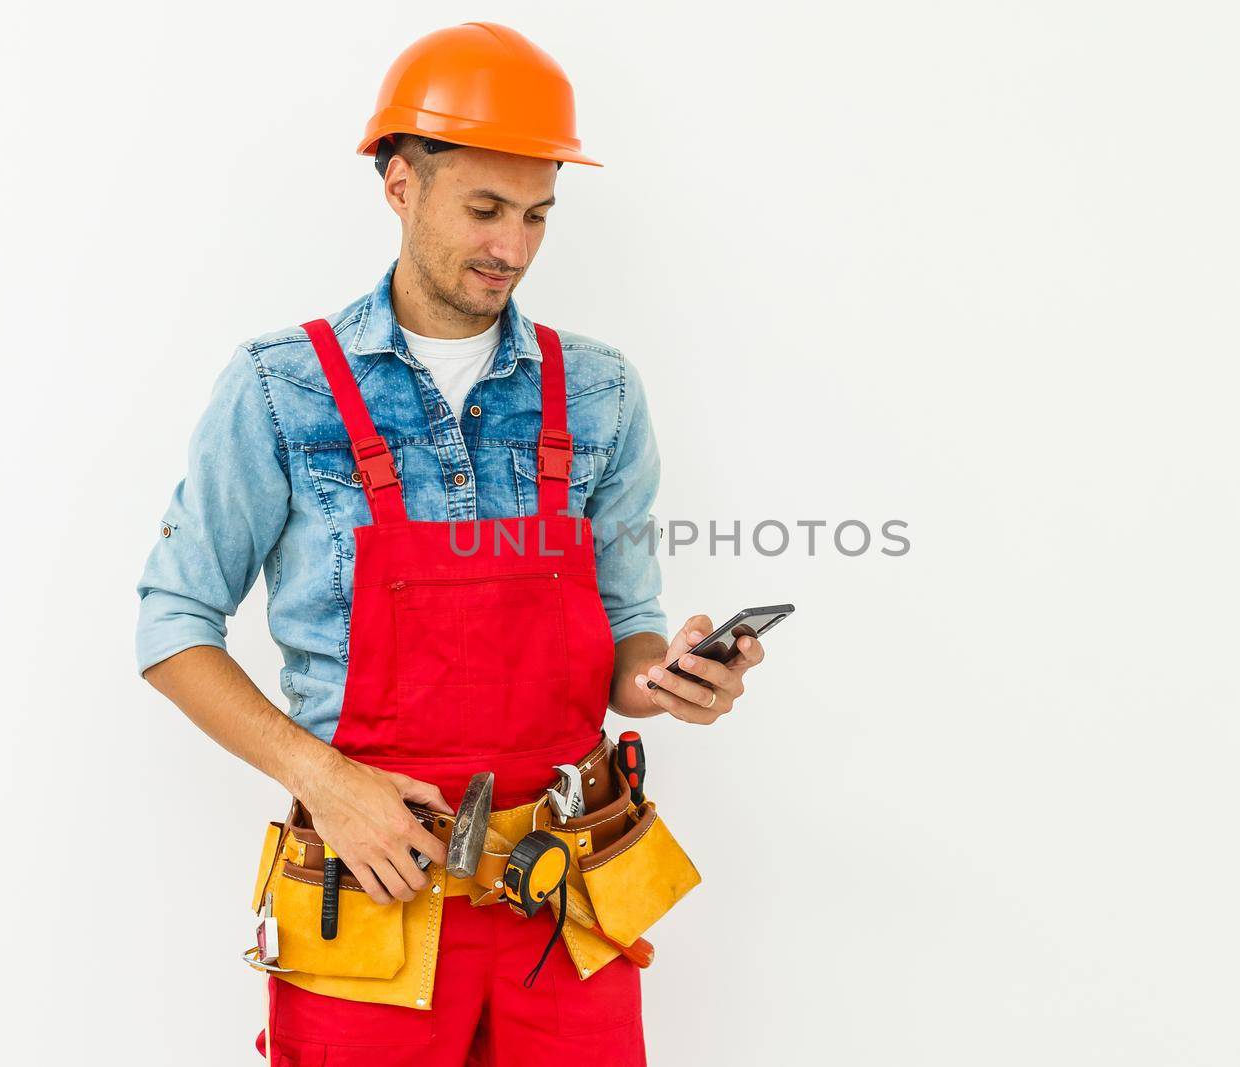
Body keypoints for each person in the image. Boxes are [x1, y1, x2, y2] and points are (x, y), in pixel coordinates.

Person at [134, 21, 768, 1065]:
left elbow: (628, 638)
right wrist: (327, 783)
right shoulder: (282, 387)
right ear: (397, 182)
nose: (509, 248)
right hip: (371, 898)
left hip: (565, 902)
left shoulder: (600, 392)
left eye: (534, 215)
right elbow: (171, 622)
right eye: (482, 209)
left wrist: (672, 679)